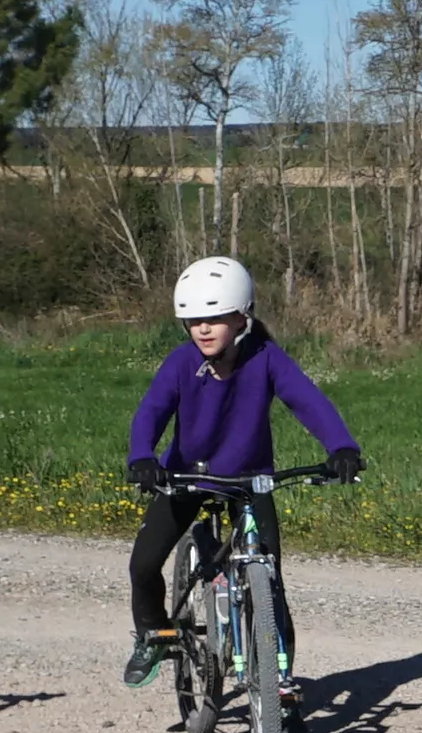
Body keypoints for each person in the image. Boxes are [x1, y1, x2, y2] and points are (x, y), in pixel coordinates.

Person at [123, 255, 365, 699]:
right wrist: (142, 456)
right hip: (184, 477)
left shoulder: (267, 359)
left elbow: (308, 402)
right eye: (194, 321)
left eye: (215, 319)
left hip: (250, 482)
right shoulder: (181, 364)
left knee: (269, 581)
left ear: (241, 317)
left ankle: (281, 681)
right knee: (142, 563)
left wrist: (341, 447)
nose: (204, 329)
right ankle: (153, 636)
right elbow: (151, 411)